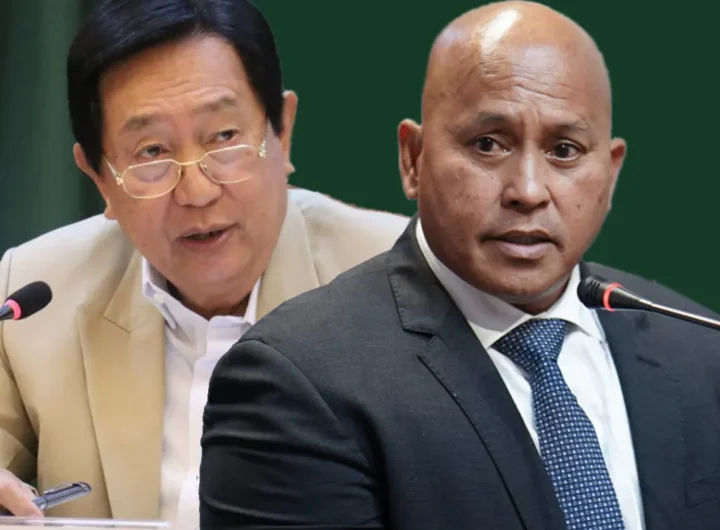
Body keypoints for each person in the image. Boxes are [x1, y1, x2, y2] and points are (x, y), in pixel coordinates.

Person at [200, 2, 720, 529]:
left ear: (609, 174)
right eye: (488, 144)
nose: (528, 191)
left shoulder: (702, 352)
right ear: (413, 159)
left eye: (564, 150)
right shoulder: (295, 382)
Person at [0, 0, 408, 523]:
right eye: (152, 152)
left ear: (282, 132)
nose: (196, 191)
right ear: (99, 177)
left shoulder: (401, 283)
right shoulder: (32, 295)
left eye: (224, 137)